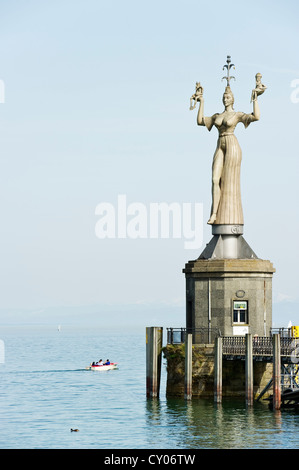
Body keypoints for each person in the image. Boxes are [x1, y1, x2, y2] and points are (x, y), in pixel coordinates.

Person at [196, 85, 260, 225]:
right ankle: (214, 214)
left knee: (228, 181)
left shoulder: (236, 115)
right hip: (220, 144)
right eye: (224, 97)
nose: (225, 99)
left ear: (233, 100)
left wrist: (255, 97)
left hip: (232, 144)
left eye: (228, 97)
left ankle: (226, 215)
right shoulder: (217, 116)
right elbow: (200, 121)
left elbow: (256, 117)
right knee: (215, 179)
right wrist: (201, 101)